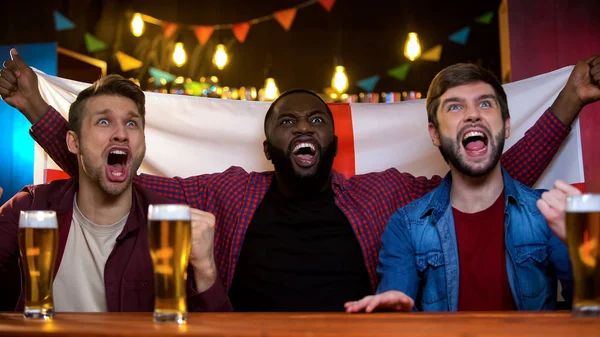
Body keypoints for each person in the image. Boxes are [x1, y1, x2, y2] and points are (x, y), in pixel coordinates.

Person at [0, 50, 593, 312]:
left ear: (332, 144)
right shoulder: (228, 190)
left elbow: (487, 180)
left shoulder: (382, 193)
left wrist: (569, 99)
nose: (303, 126)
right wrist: (39, 111)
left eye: (317, 119)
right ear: (268, 146)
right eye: (287, 120)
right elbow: (118, 176)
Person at [345, 57, 600, 313]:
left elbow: (592, 312)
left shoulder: (548, 214)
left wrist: (584, 248)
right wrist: (393, 315)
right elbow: (395, 298)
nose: (473, 115)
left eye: (485, 103)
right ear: (435, 134)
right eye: (455, 107)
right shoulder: (406, 226)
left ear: (506, 125)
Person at [0, 65, 231, 312]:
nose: (121, 133)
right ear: (73, 142)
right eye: (103, 121)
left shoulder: (170, 227)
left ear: (143, 142)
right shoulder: (30, 209)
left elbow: (215, 328)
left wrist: (206, 270)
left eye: (132, 124)